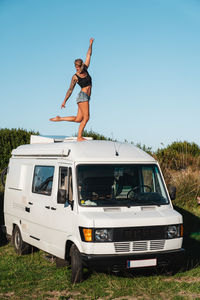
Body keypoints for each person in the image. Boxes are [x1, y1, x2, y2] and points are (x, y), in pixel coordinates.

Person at [50, 38, 94, 141]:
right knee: (86, 118)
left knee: (79, 119)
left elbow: (89, 55)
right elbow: (70, 90)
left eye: (79, 67)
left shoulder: (85, 68)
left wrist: (90, 44)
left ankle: (60, 118)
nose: (77, 69)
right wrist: (64, 101)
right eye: (76, 68)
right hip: (82, 96)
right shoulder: (75, 77)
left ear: (82, 66)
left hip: (85, 97)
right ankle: (79, 137)